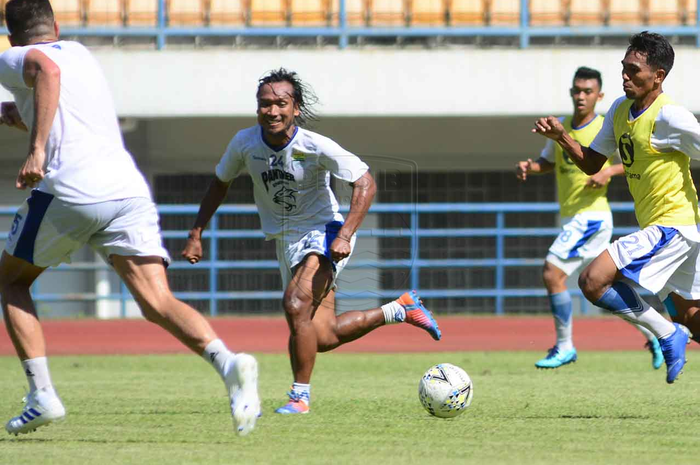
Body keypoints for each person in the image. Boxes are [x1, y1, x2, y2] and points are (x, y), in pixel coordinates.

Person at [0, 0, 260, 437]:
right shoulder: (81, 52)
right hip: (126, 189)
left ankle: (42, 395)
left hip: (71, 190)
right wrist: (24, 117)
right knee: (156, 301)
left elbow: (46, 70)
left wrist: (38, 148)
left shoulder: (13, 58)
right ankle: (229, 363)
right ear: (57, 25)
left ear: (10, 36)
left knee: (10, 280)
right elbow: (70, 109)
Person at [182, 68, 441, 415]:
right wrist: (196, 232)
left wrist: (346, 235)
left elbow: (365, 182)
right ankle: (400, 308)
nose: (272, 111)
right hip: (286, 241)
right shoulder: (244, 144)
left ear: (296, 108)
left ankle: (299, 397)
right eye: (264, 104)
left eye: (280, 103)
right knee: (323, 336)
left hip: (325, 233)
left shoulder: (315, 145)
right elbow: (220, 183)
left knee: (294, 304)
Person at [532, 31, 698, 384]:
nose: (625, 76)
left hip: (675, 227)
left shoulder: (671, 116)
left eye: (634, 70)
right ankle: (677, 331)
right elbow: (593, 162)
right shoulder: (621, 110)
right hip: (676, 231)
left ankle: (668, 335)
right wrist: (562, 137)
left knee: (593, 280)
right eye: (623, 68)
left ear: (659, 76)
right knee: (695, 319)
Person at [517, 67, 663, 370]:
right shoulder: (563, 127)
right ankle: (659, 334)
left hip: (591, 218)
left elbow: (634, 159)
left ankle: (565, 346)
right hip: (570, 218)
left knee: (552, 273)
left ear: (599, 96)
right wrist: (530, 166)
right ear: (572, 92)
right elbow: (548, 161)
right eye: (577, 90)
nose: (581, 96)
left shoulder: (603, 126)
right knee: (605, 288)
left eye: (587, 91)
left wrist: (608, 170)